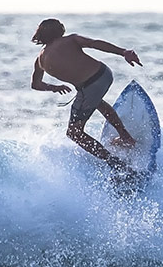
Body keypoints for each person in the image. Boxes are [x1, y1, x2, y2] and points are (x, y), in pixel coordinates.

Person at [30, 18, 142, 174]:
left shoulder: (40, 60)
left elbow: (36, 84)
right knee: (95, 101)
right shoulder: (71, 39)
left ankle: (115, 163)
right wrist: (123, 52)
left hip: (90, 86)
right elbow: (95, 43)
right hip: (103, 74)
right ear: (59, 30)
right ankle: (125, 137)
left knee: (74, 133)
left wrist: (54, 88)